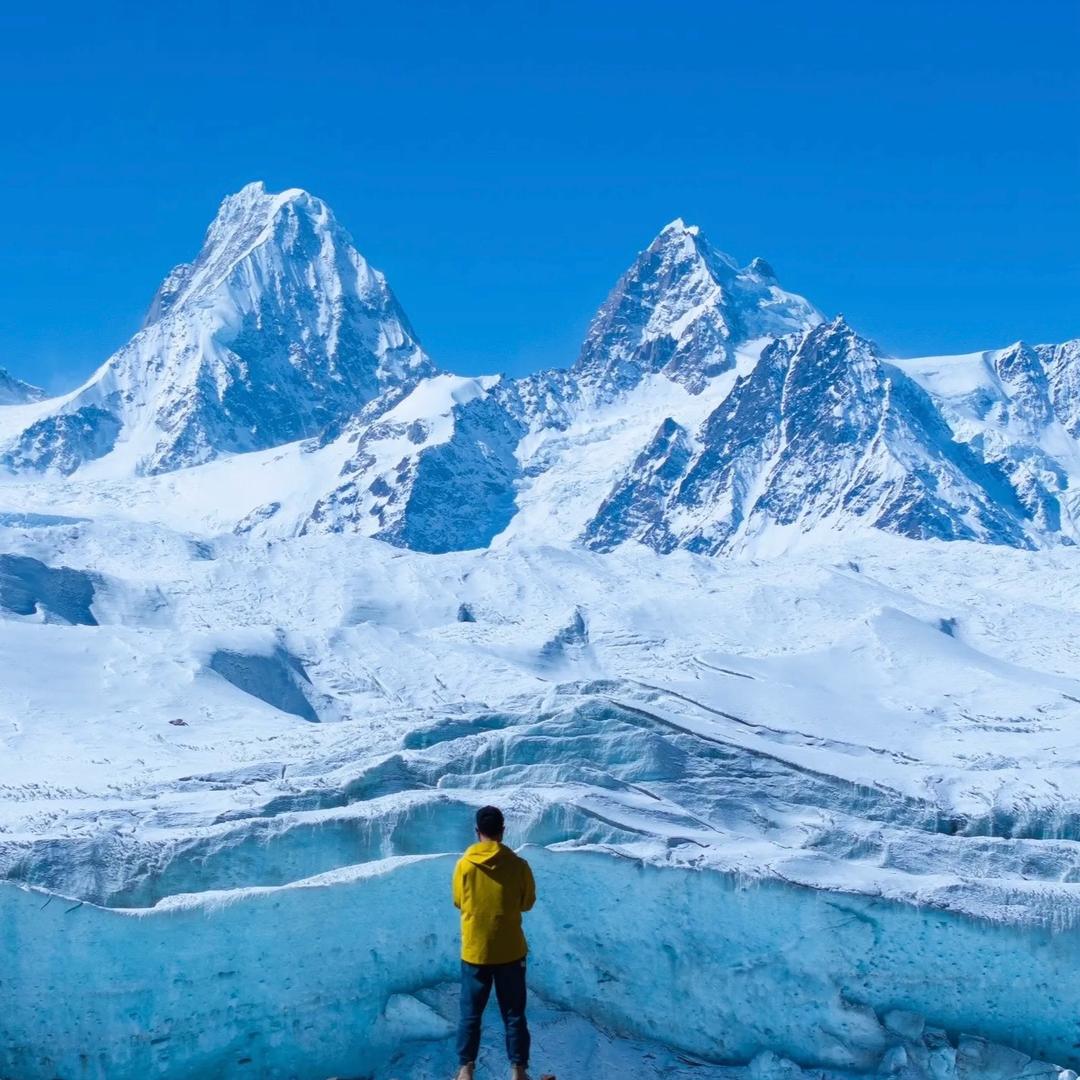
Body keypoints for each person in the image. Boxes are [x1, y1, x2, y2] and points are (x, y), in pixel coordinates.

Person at [452, 805, 536, 1080]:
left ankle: (466, 1070)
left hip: (475, 951)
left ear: (477, 832)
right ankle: (519, 1072)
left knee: (470, 1013)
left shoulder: (464, 865)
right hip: (510, 951)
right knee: (513, 1014)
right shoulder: (519, 866)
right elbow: (527, 903)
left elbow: (458, 901)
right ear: (503, 831)